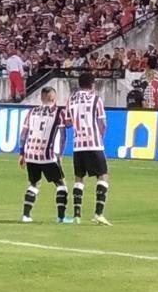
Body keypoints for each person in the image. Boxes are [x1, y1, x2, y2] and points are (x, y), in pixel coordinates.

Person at [17, 87, 71, 224]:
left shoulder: (32, 111)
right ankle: (61, 217)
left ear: (41, 98)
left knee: (34, 184)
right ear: (54, 98)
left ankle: (26, 215)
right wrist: (60, 154)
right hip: (48, 155)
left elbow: (24, 134)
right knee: (61, 185)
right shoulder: (59, 112)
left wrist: (22, 153)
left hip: (31, 154)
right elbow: (64, 134)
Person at [66, 72, 111, 225]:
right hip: (94, 143)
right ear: (92, 84)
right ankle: (98, 213)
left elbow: (67, 122)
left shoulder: (71, 99)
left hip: (78, 145)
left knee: (79, 178)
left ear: (79, 84)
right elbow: (102, 123)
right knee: (103, 176)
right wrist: (100, 138)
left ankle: (77, 215)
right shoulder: (96, 99)